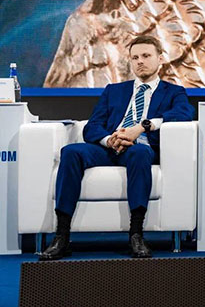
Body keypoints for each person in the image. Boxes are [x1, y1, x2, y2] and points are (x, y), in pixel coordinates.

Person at [39, 35, 194, 260]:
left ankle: (136, 234)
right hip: (109, 148)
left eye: (146, 56)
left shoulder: (173, 92)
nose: (140, 61)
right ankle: (61, 236)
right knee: (71, 152)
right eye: (135, 58)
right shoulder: (114, 90)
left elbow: (183, 113)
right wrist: (109, 140)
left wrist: (142, 127)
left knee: (140, 152)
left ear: (160, 58)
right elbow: (92, 126)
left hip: (140, 147)